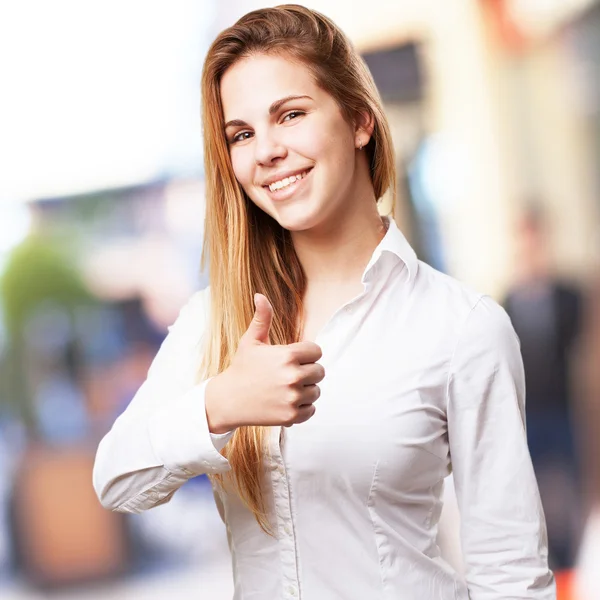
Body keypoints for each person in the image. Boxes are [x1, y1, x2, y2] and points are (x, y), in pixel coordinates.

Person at [93, 5, 555, 599]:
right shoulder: (213, 322)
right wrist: (220, 404)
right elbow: (117, 480)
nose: (266, 151)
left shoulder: (462, 329)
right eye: (242, 134)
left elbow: (512, 575)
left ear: (360, 119)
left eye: (290, 115)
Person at [504, 206, 583, 570]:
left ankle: (575, 559)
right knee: (533, 492)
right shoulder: (508, 302)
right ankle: (551, 563)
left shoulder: (568, 296)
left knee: (570, 486)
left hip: (564, 409)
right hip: (530, 413)